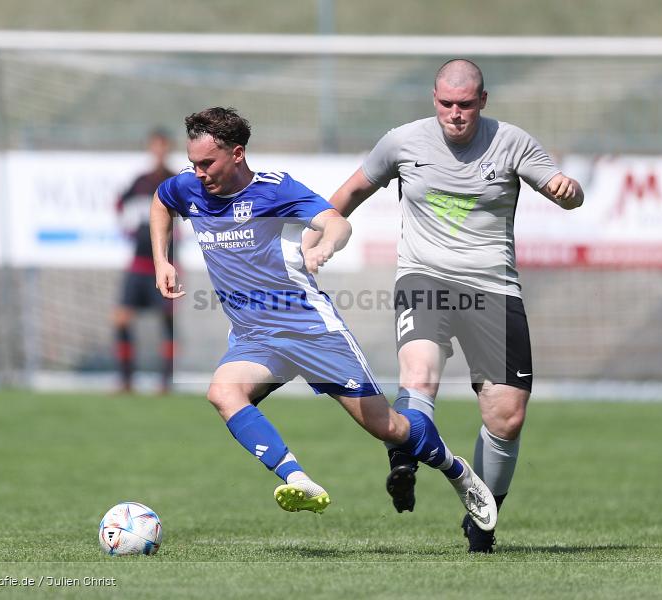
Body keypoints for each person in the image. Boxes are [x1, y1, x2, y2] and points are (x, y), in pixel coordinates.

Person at [150, 107, 496, 529]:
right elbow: (162, 201)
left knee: (388, 428)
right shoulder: (189, 188)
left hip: (313, 332)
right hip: (256, 338)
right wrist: (161, 261)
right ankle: (297, 479)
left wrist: (324, 246)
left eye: (208, 163)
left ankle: (456, 471)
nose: (199, 173)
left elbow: (336, 224)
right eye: (193, 164)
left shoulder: (275, 191)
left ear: (237, 154)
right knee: (223, 393)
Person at [325, 59, 584, 552]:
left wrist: (568, 192)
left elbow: (564, 192)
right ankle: (402, 459)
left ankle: (482, 518)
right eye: (446, 104)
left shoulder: (512, 143)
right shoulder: (402, 142)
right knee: (419, 375)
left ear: (483, 101)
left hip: (493, 287)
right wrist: (319, 234)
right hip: (423, 278)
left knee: (506, 417)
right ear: (434, 99)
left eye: (465, 105)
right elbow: (348, 194)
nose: (455, 114)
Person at [113, 129, 177, 393]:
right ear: (150, 148)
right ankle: (126, 381)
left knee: (167, 321)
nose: (159, 151)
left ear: (168, 148)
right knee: (121, 319)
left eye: (163, 146)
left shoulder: (175, 181)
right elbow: (119, 204)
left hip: (164, 263)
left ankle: (165, 383)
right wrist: (126, 229)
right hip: (138, 264)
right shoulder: (140, 181)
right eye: (155, 146)